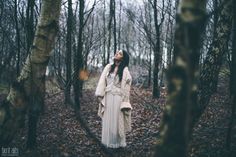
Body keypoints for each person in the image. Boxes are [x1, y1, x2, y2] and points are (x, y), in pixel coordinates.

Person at [95, 50, 132, 148]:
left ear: (123, 58)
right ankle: (107, 142)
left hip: (118, 99)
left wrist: (125, 102)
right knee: (107, 120)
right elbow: (102, 81)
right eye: (116, 52)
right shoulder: (108, 67)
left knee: (116, 121)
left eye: (120, 53)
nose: (117, 54)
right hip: (107, 97)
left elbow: (127, 89)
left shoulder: (125, 70)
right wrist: (100, 94)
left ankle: (116, 143)